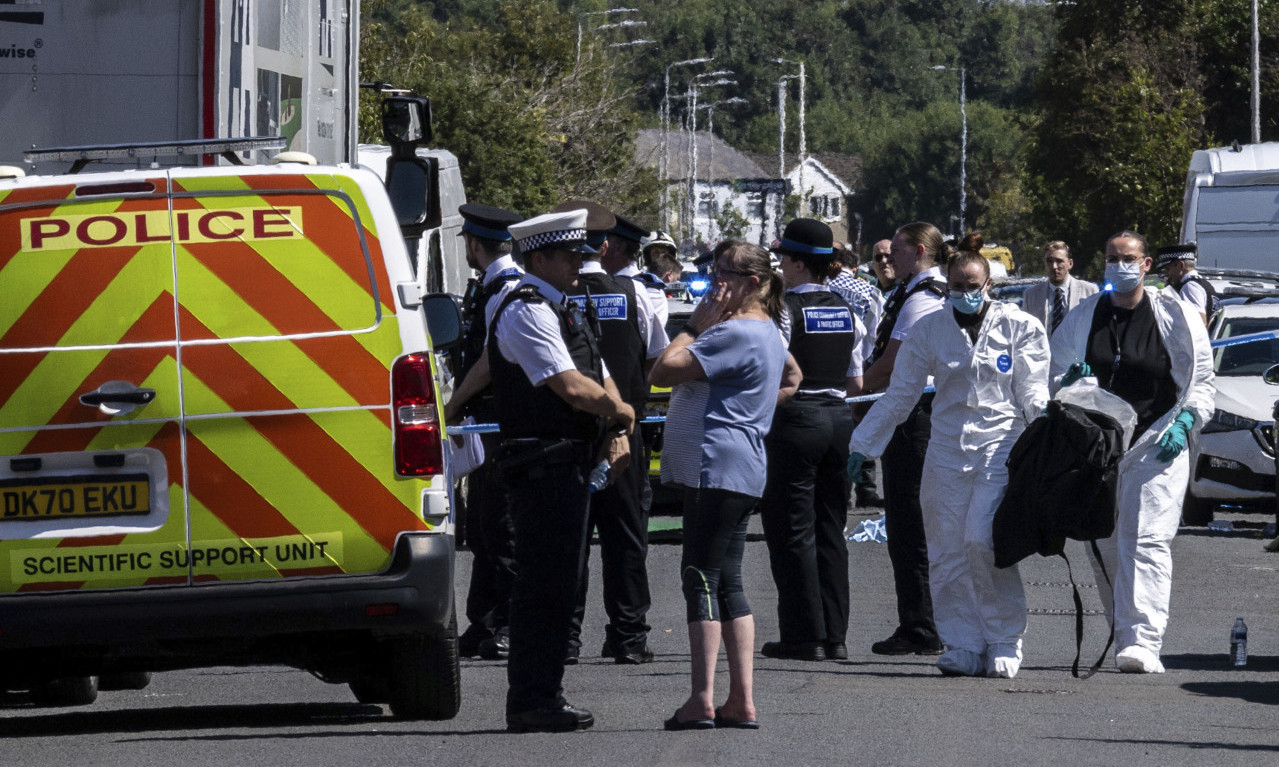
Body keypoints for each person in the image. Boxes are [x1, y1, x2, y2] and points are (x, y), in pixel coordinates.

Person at [848, 239, 1051, 677]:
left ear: (989, 284)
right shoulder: (929, 329)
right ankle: (961, 642)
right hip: (945, 450)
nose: (965, 292)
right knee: (946, 551)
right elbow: (900, 395)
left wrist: (1045, 422)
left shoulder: (1020, 327)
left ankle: (1003, 638)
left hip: (999, 446)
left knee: (983, 541)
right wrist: (862, 446)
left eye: (973, 284)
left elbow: (1032, 389)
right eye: (957, 285)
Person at [489, 209, 635, 732]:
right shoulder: (525, 310)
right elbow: (570, 386)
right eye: (571, 256)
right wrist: (623, 416)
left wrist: (616, 428)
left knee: (562, 583)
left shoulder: (566, 306)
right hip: (542, 463)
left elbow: (602, 374)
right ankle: (532, 698)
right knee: (544, 586)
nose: (581, 263)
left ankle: (545, 692)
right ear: (539, 257)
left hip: (571, 460)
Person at [1050, 230, 1214, 674]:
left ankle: (1143, 640)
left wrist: (1186, 420)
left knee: (1145, 540)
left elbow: (1201, 379)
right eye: (1111, 257)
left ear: (1146, 265)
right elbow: (1052, 374)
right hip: (1100, 444)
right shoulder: (1086, 317)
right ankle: (1123, 630)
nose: (1119, 266)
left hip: (1156, 440)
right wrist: (1070, 382)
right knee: (1103, 541)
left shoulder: (1174, 314)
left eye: (1128, 258)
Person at [650, 240, 796, 730]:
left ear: (753, 283)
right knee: (728, 581)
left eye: (725, 274)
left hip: (717, 465)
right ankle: (740, 700)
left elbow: (662, 370)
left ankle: (702, 698)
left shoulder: (732, 332)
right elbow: (793, 375)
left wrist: (693, 325)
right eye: (713, 272)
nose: (715, 284)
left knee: (701, 578)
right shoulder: (769, 331)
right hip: (741, 464)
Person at [562, 202, 668, 666]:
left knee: (570, 539)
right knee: (626, 536)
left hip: (569, 435)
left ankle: (565, 638)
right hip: (625, 432)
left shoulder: (550, 296)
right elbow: (654, 362)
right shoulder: (636, 295)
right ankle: (628, 637)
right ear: (605, 246)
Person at [758, 219, 865, 662]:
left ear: (798, 263)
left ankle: (804, 634)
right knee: (830, 528)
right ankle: (835, 635)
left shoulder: (782, 310)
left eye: (783, 258)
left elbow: (772, 372)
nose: (780, 265)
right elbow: (856, 380)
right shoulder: (847, 308)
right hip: (839, 419)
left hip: (797, 418)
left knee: (791, 530)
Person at [859, 222, 948, 656]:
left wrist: (850, 392)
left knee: (910, 524)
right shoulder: (911, 292)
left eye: (894, 249)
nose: (887, 257)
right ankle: (920, 621)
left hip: (914, 418)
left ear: (917, 250)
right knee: (909, 523)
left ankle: (922, 625)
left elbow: (891, 363)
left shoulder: (924, 298)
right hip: (910, 415)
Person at [443, 203, 524, 661]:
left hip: (499, 423)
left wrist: (453, 404)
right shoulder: (489, 286)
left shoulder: (504, 289)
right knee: (484, 527)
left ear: (475, 244)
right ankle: (485, 619)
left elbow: (490, 361)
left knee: (502, 527)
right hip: (484, 423)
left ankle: (509, 622)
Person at [831, 241, 885, 507]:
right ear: (854, 267)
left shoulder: (822, 289)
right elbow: (877, 335)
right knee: (862, 427)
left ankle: (838, 492)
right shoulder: (870, 291)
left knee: (833, 433)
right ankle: (866, 490)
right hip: (862, 370)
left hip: (823, 370)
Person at [1023, 241, 1099, 336]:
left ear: (1070, 264)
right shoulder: (1031, 295)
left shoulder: (1090, 291)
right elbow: (1025, 332)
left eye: (1059, 261)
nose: (1054, 266)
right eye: (1049, 261)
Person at [1155, 243, 1218, 325]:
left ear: (1181, 265)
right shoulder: (1203, 283)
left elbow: (1198, 323)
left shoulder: (1189, 287)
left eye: (1168, 269)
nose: (1166, 273)